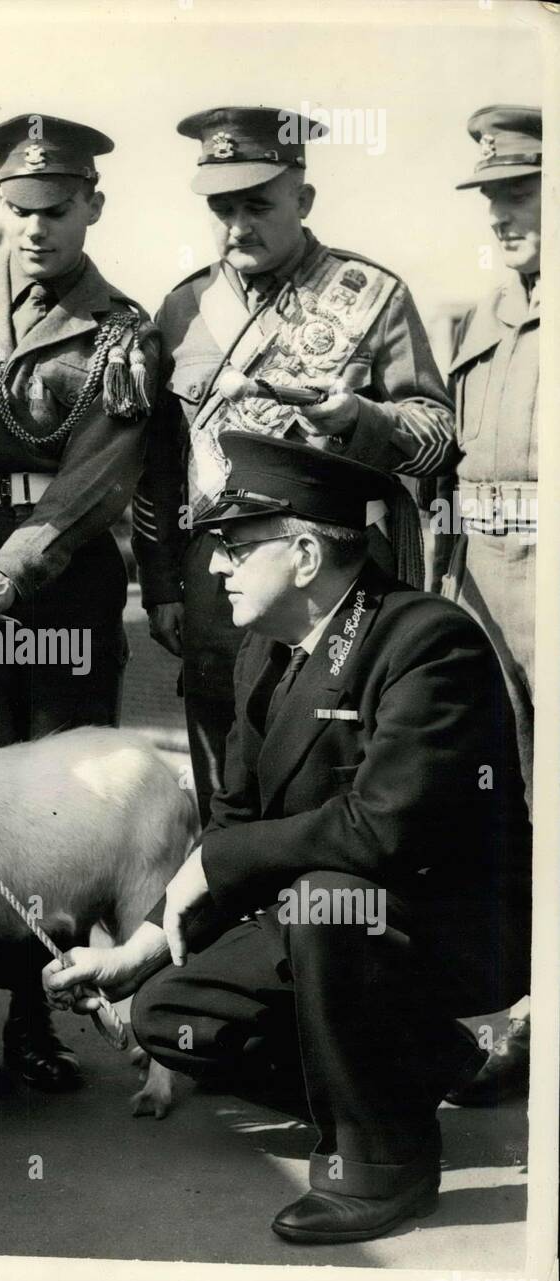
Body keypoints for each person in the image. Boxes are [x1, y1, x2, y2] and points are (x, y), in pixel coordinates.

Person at [46, 429, 531, 1244]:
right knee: (169, 1012)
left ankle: (384, 1165)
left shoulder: (426, 642)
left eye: (236, 546)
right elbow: (234, 821)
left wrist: (230, 862)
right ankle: (416, 1069)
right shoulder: (264, 656)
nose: (214, 568)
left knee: (325, 901)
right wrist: (142, 949)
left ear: (305, 556)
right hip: (337, 929)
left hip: (443, 929)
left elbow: (378, 832)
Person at [0, 114, 159, 1096]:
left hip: (57, 582)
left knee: (53, 800)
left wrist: (14, 567)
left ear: (91, 205)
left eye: (53, 210)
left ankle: (31, 1019)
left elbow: (94, 478)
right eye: (15, 210)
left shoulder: (121, 328)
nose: (31, 229)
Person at [132, 106, 455, 824]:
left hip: (330, 593)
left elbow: (437, 437)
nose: (236, 227)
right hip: (217, 591)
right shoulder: (184, 307)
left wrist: (359, 421)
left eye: (257, 205)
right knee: (227, 790)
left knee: (329, 785)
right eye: (222, 208)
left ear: (304, 200)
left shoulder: (371, 297)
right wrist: (160, 585)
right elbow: (158, 463)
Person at [436, 106, 540, 1107]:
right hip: (484, 596)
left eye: (522, 191)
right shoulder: (478, 318)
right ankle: (520, 1010)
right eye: (492, 195)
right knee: (502, 813)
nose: (503, 213)